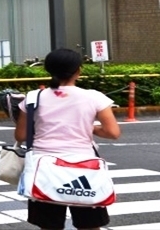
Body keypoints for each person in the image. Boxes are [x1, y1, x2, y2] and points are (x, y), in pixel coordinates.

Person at [14, 48, 121, 230]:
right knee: (89, 225)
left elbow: (21, 136)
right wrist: (91, 128)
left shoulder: (33, 98)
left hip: (44, 168)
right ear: (78, 70)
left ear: (48, 70)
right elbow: (113, 132)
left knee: (49, 226)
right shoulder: (94, 97)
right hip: (84, 167)